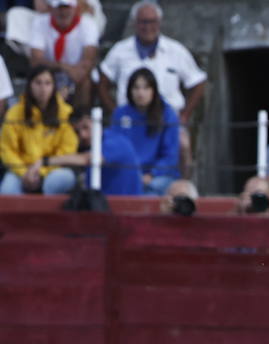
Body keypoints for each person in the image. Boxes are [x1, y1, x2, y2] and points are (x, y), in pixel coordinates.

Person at [99, 2, 209, 171]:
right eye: (143, 22)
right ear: (135, 23)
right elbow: (102, 82)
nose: (147, 26)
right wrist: (115, 112)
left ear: (159, 23)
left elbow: (198, 82)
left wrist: (185, 114)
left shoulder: (176, 50)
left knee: (183, 143)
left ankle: (181, 189)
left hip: (167, 119)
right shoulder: (120, 51)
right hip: (130, 120)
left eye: (152, 21)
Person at [0, 66, 77, 195]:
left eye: (47, 83)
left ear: (54, 87)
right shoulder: (14, 113)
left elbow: (67, 150)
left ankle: (48, 216)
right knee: (7, 190)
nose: (43, 88)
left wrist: (40, 172)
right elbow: (7, 149)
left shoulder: (65, 112)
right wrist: (24, 173)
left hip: (52, 170)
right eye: (38, 82)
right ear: (30, 85)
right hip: (20, 171)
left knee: (62, 178)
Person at [43, 105, 143, 197]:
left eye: (86, 127)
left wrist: (44, 161)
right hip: (101, 206)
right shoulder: (88, 146)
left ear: (97, 123)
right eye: (77, 131)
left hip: (125, 208)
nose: (82, 135)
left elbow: (89, 158)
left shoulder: (116, 141)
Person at [109, 67, 180, 196]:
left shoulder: (168, 114)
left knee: (151, 191)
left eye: (146, 88)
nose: (140, 93)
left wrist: (151, 174)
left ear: (154, 90)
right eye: (136, 88)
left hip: (157, 176)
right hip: (127, 174)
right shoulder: (120, 113)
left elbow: (170, 156)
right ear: (130, 90)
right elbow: (114, 149)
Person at [27, 0, 99, 104]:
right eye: (59, 8)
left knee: (85, 78)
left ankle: (81, 115)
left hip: (76, 76)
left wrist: (73, 73)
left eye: (67, 7)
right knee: (41, 79)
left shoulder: (88, 24)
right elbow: (35, 61)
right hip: (51, 73)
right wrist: (63, 67)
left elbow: (88, 62)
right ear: (51, 9)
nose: (63, 12)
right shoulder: (40, 22)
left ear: (75, 9)